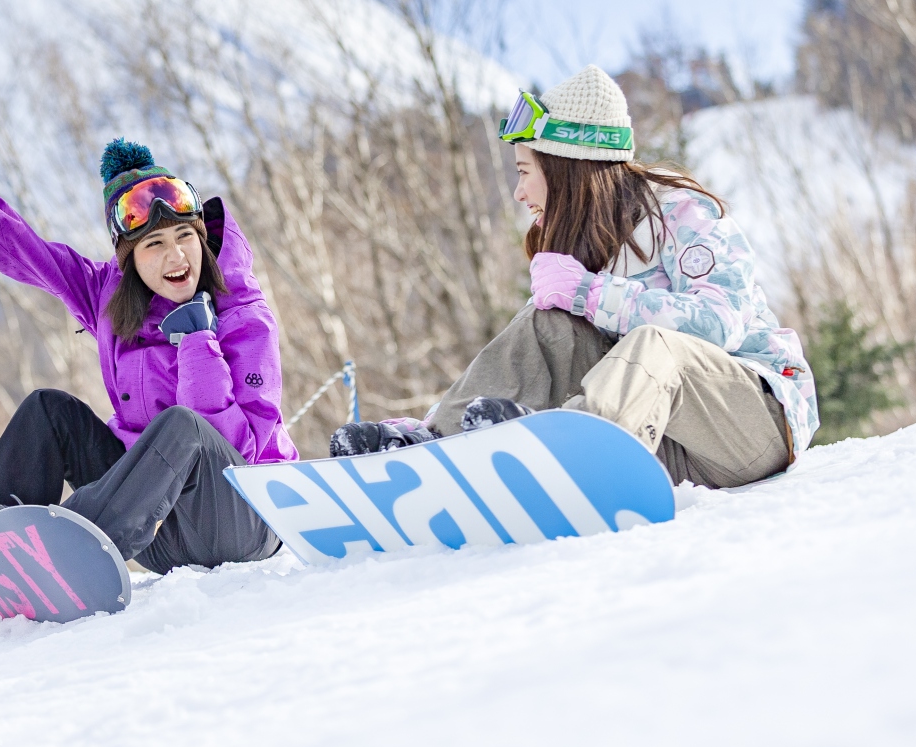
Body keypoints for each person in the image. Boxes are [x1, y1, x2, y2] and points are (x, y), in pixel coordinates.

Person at [330, 65, 818, 489]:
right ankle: (436, 446)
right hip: (663, 440)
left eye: (525, 171)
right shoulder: (582, 242)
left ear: (566, 169)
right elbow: (533, 354)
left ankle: (575, 452)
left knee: (656, 343)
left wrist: (591, 293)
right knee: (547, 326)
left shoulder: (683, 213)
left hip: (753, 425)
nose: (520, 192)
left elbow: (721, 323)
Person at [0, 139, 296, 574]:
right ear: (131, 262)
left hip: (246, 517)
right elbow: (35, 258)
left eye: (185, 237)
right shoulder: (113, 301)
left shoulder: (244, 317)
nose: (176, 255)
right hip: (161, 531)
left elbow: (239, 454)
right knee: (50, 410)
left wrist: (198, 343)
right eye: (154, 244)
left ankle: (65, 551)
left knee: (184, 427)